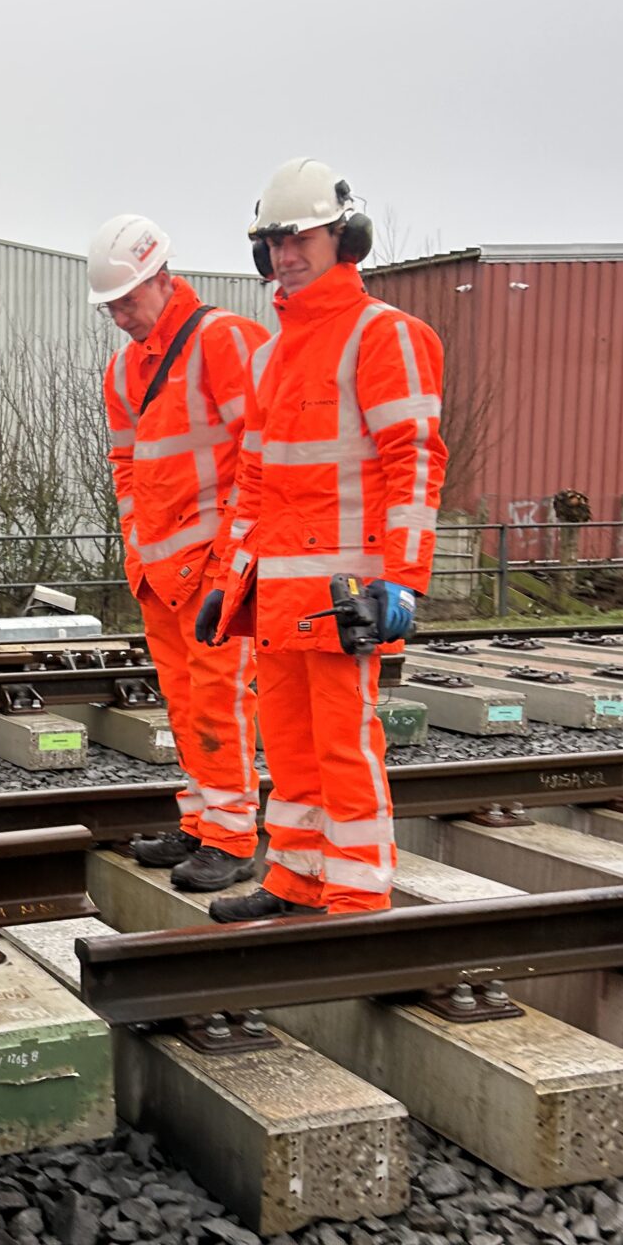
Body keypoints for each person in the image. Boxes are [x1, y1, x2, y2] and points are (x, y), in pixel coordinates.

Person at [203, 159, 447, 920]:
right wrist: (226, 581)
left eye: (299, 237)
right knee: (291, 747)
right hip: (280, 594)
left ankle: (356, 896)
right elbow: (254, 488)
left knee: (345, 747)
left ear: (345, 238)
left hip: (349, 596)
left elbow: (415, 461)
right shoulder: (272, 356)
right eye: (273, 241)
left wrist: (403, 583)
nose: (284, 254)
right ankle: (296, 878)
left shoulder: (386, 336)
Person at [91, 214, 271, 891]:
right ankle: (199, 822)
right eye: (110, 307)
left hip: (216, 568)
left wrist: (234, 560)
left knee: (219, 699)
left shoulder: (223, 342)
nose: (120, 317)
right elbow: (126, 465)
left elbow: (261, 455)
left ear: (163, 279)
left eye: (128, 302)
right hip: (162, 571)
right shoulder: (122, 371)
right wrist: (138, 550)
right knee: (184, 700)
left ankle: (230, 836)